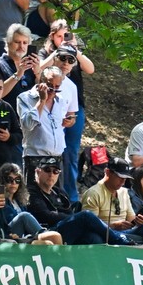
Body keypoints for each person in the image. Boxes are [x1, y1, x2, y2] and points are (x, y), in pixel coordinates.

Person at [37, 20, 95, 204]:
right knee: (49, 150)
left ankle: (71, 195)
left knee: (70, 151)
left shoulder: (74, 55)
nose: (63, 39)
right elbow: (38, 69)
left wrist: (74, 51)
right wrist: (57, 53)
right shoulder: (46, 52)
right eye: (59, 36)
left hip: (74, 106)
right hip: (49, 105)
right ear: (52, 36)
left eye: (66, 35)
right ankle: (47, 191)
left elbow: (91, 69)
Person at [27, 156, 135, 245]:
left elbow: (69, 213)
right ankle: (118, 239)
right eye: (47, 170)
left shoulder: (59, 192)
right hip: (46, 232)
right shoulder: (31, 192)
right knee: (85, 215)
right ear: (37, 171)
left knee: (94, 238)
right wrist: (74, 218)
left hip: (66, 229)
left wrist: (72, 218)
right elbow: (46, 215)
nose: (51, 174)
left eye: (55, 171)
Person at [81, 157, 143, 246]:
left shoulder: (124, 192)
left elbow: (131, 220)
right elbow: (90, 225)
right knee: (95, 237)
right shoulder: (94, 193)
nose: (123, 182)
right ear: (108, 172)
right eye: (120, 177)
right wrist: (114, 226)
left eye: (125, 178)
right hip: (106, 233)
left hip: (125, 232)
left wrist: (139, 221)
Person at [17, 66, 69, 183]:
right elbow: (28, 125)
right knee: (33, 194)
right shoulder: (25, 98)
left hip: (57, 158)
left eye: (57, 87)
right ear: (41, 81)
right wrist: (42, 101)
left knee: (56, 194)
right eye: (49, 86)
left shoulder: (60, 100)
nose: (53, 90)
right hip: (35, 157)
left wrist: (68, 122)